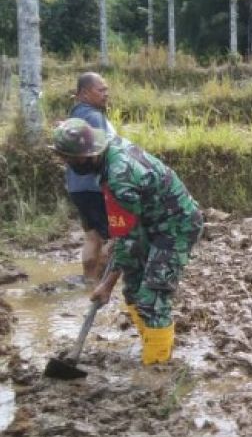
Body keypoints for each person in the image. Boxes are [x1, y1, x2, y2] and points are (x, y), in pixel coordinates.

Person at [50, 118, 204, 366]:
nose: (67, 164)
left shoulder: (119, 176)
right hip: (148, 222)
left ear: (87, 156)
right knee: (132, 288)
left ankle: (157, 370)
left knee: (152, 298)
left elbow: (128, 240)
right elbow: (126, 235)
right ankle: (151, 344)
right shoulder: (107, 151)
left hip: (176, 227)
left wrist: (106, 285)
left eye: (70, 159)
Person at [66, 72, 116, 280]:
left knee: (92, 237)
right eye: (101, 90)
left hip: (77, 187)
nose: (106, 94)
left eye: (106, 89)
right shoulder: (94, 117)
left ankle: (87, 281)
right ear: (85, 93)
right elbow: (103, 151)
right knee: (112, 239)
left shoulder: (75, 115)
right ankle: (101, 287)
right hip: (96, 187)